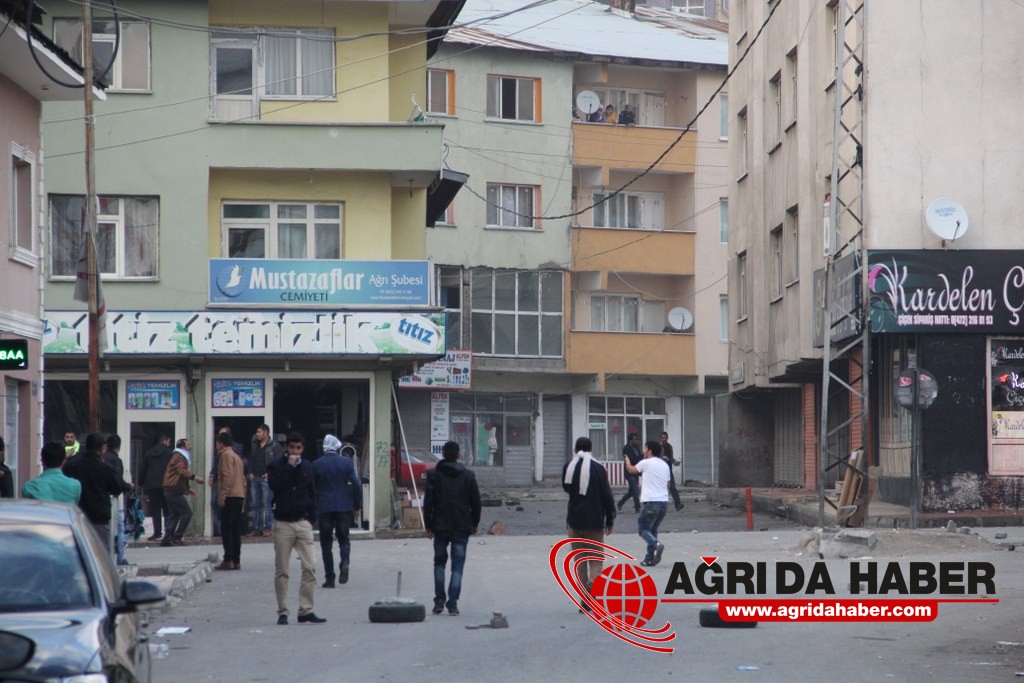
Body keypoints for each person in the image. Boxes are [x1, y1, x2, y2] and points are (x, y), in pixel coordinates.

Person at [267, 432, 325, 625]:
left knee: (310, 567)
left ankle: (305, 610)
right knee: (282, 570)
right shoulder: (276, 466)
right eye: (291, 448)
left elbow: (313, 492)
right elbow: (276, 486)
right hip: (283, 523)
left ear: (303, 449)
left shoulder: (308, 467)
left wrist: (311, 518)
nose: (295, 452)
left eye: (298, 448)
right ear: (286, 448)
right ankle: (282, 611)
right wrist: (290, 468)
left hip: (302, 523)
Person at [423, 440, 481, 617]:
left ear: (443, 454)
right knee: (457, 566)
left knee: (439, 563)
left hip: (440, 525)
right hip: (462, 525)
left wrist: (428, 525)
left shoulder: (433, 474)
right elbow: (476, 502)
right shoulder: (468, 475)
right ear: (458, 455)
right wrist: (474, 523)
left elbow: (429, 502)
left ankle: (439, 600)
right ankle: (453, 604)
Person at [562, 436, 615, 610]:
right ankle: (593, 584)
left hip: (574, 521)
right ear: (591, 449)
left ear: (575, 450)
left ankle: (585, 597)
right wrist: (610, 518)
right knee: (596, 559)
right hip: (595, 520)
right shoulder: (599, 469)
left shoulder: (568, 468)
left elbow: (567, 489)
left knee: (580, 560)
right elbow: (607, 495)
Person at [64, 433, 132, 555]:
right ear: (102, 448)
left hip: (77, 514)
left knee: (80, 552)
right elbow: (116, 488)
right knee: (101, 553)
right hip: (99, 516)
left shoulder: (73, 465)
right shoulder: (104, 468)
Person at [312, 434, 362, 588]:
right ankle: (344, 562)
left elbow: (312, 489)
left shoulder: (316, 464)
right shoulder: (346, 463)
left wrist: (312, 509)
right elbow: (356, 484)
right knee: (344, 539)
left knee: (326, 544)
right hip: (343, 507)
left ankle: (330, 578)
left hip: (324, 507)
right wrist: (357, 505)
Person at [624, 440, 671, 567]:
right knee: (652, 530)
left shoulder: (646, 463)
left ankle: (656, 545)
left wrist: (627, 461)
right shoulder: (665, 465)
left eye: (645, 449)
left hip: (651, 502)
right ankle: (649, 558)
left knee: (643, 529)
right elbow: (667, 485)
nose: (643, 451)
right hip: (664, 503)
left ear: (650, 450)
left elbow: (631, 470)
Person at [161, 438, 205, 547]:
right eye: (188, 444)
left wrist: (188, 489)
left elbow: (178, 476)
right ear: (182, 447)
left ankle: (167, 539)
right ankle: (177, 537)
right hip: (172, 490)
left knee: (174, 514)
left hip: (171, 489)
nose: (190, 446)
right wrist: (195, 477)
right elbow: (181, 471)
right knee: (186, 513)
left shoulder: (180, 456)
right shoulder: (179, 457)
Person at [214, 432, 246, 571]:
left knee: (227, 528)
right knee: (235, 529)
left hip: (230, 496)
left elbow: (226, 476)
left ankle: (228, 559)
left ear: (221, 443)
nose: (216, 446)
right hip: (238, 495)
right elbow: (243, 480)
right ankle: (236, 560)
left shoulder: (226, 455)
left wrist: (222, 496)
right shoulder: (237, 457)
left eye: (217, 443)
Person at [248, 424, 281, 537]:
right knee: (254, 504)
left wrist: (270, 474)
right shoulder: (254, 445)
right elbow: (250, 459)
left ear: (266, 433)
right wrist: (250, 472)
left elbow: (278, 462)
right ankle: (255, 528)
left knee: (267, 504)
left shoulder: (274, 446)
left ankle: (268, 528)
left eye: (259, 432)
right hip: (255, 477)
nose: (257, 434)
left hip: (266, 478)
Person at [139, 434, 173, 541]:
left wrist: (141, 483)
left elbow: (143, 468)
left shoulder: (149, 452)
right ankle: (168, 532)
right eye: (169, 441)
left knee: (155, 509)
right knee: (167, 509)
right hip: (166, 484)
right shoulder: (169, 453)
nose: (169, 444)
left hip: (152, 485)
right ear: (166, 441)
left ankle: (157, 533)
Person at [104, 434, 129, 565]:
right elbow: (117, 481)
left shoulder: (102, 457)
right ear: (118, 446)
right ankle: (120, 558)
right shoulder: (115, 460)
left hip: (100, 496)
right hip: (112, 499)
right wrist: (128, 486)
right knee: (119, 528)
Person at [617, 433, 643, 514]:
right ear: (631, 440)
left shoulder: (636, 447)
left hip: (635, 471)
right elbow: (632, 460)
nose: (636, 441)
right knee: (635, 489)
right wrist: (642, 455)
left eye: (637, 439)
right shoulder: (626, 448)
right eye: (635, 439)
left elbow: (639, 459)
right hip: (629, 472)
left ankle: (620, 503)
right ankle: (637, 508)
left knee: (631, 491)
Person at [660, 432, 684, 512]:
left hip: (668, 469)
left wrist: (674, 462)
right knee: (660, 488)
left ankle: (678, 505)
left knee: (672, 487)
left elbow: (671, 458)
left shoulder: (669, 447)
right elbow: (657, 458)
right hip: (661, 470)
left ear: (667, 438)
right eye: (662, 437)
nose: (664, 439)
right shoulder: (659, 447)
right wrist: (663, 458)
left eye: (665, 437)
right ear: (660, 438)